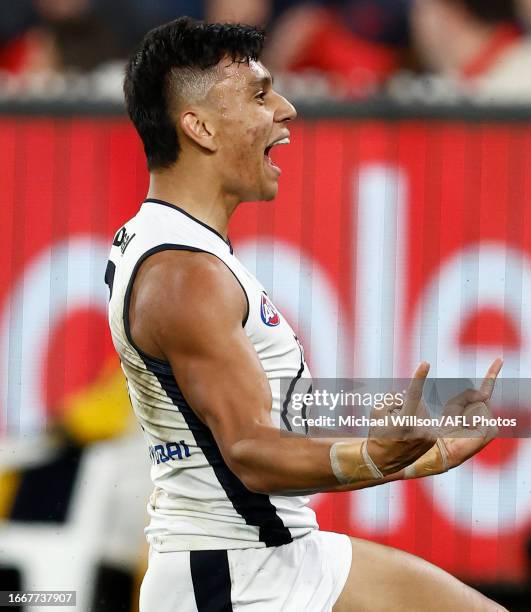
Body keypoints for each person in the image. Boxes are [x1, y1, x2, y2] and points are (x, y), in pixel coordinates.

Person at [106, 17, 506, 611]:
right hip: (234, 581)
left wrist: (414, 443)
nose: (287, 110)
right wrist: (375, 456)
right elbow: (248, 450)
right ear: (200, 127)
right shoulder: (184, 276)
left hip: (281, 553)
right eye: (261, 94)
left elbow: (269, 410)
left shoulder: (184, 250)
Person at [410, 0, 531, 103]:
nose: (414, 23)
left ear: (453, 9)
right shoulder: (442, 86)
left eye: (420, 10)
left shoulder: (521, 75)